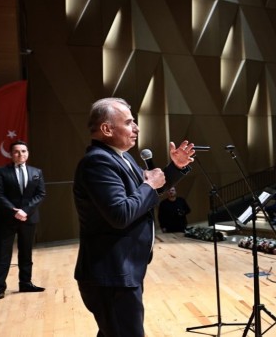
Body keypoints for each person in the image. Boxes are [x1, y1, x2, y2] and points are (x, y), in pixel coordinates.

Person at [73, 97, 195, 337]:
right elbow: (120, 213)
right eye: (129, 122)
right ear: (107, 129)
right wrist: (149, 185)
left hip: (124, 269)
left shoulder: (122, 157)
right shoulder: (97, 162)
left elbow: (149, 192)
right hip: (111, 273)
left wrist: (175, 168)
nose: (136, 128)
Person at [0, 141, 47, 304]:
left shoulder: (37, 172)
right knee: (3, 254)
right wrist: (14, 211)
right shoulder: (1, 172)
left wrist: (25, 211)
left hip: (28, 218)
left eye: (23, 151)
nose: (20, 154)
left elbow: (40, 194)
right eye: (16, 152)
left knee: (26, 252)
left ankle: (25, 283)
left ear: (27, 153)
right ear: (11, 154)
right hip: (7, 219)